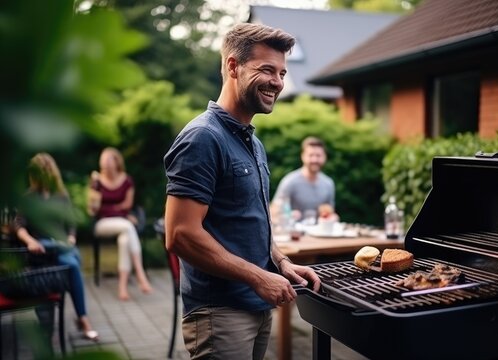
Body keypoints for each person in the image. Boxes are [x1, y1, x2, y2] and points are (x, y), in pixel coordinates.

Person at [163, 23, 321, 359]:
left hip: (255, 303)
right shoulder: (202, 138)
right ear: (233, 67)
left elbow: (250, 220)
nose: (277, 82)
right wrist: (258, 277)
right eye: (266, 69)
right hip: (220, 311)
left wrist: (281, 263)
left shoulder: (253, 143)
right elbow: (180, 235)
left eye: (281, 72)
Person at [13, 153, 99, 341]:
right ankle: (83, 320)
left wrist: (71, 236)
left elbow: (71, 223)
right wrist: (30, 241)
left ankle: (82, 318)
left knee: (72, 265)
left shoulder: (61, 195)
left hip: (60, 246)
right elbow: (18, 226)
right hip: (42, 246)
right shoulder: (28, 198)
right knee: (71, 258)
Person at [88, 147, 152, 301]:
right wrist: (118, 211)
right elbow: (93, 210)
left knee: (124, 240)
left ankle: (122, 287)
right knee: (129, 227)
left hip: (121, 223)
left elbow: (127, 205)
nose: (105, 164)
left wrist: (113, 210)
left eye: (108, 160)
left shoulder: (127, 180)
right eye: (103, 161)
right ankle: (140, 273)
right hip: (102, 224)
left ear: (116, 161)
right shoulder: (96, 181)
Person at [271, 136, 338, 223]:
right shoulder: (290, 181)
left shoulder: (328, 184)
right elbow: (273, 212)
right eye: (311, 155)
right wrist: (288, 215)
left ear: (324, 157)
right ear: (303, 156)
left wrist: (333, 217)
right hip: (295, 234)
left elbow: (330, 212)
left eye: (318, 155)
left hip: (319, 234)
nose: (315, 159)